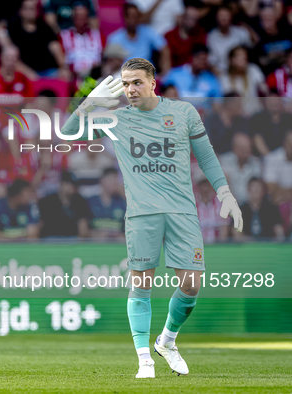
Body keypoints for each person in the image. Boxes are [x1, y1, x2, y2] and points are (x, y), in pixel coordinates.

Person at [61, 58, 244, 378]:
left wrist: (225, 193)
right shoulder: (116, 119)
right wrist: (89, 104)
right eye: (125, 83)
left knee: (191, 285)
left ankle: (167, 341)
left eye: (136, 83)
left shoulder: (184, 112)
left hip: (182, 212)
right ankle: (144, 359)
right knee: (141, 285)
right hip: (142, 214)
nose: (130, 89)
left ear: (152, 83)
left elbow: (207, 157)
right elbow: (68, 133)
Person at [8, 0, 69, 79]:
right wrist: (30, 74)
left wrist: (63, 68)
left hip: (50, 71)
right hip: (26, 73)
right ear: (20, 11)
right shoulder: (14, 30)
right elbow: (13, 57)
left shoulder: (45, 27)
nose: (30, 12)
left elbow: (56, 49)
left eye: (32, 9)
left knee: (65, 76)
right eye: (26, 9)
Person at [106, 4, 170, 75]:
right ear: (124, 18)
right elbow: (109, 63)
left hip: (147, 73)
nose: (133, 20)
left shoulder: (148, 32)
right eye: (130, 17)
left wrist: (164, 74)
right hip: (125, 75)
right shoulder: (114, 38)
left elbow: (164, 49)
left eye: (135, 17)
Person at [37, 170, 90, 238]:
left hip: (72, 239)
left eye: (75, 184)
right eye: (70, 183)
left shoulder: (80, 201)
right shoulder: (47, 202)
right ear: (62, 184)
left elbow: (83, 228)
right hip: (50, 239)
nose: (73, 187)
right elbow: (40, 225)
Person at [219, 46, 268, 116]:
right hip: (236, 117)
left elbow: (264, 88)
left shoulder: (253, 69)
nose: (244, 57)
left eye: (245, 55)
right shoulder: (224, 78)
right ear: (232, 60)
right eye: (240, 55)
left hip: (256, 114)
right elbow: (227, 102)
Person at [59, 4, 102, 77]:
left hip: (95, 72)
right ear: (73, 18)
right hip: (73, 73)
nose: (81, 21)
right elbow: (61, 58)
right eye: (79, 17)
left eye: (84, 17)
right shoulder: (64, 35)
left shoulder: (97, 35)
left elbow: (102, 56)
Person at [207, 6, 253, 74]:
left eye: (226, 15)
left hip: (241, 71)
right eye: (221, 15)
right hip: (221, 74)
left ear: (231, 17)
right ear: (216, 18)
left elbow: (252, 48)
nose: (224, 18)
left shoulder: (241, 32)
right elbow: (211, 62)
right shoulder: (211, 36)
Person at [219, 133, 262, 204]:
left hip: (251, 205)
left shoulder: (255, 163)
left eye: (248, 148)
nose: (247, 152)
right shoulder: (225, 161)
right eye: (243, 149)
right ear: (235, 149)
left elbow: (257, 187)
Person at [87, 167, 126, 240]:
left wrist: (121, 236)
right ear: (102, 181)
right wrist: (95, 234)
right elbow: (84, 231)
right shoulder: (90, 202)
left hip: (117, 245)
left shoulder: (122, 202)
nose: (115, 183)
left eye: (116, 180)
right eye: (111, 180)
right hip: (96, 244)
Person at [194, 177, 229, 243]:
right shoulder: (193, 203)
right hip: (197, 244)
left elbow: (224, 226)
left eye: (206, 185)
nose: (204, 188)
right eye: (202, 185)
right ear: (198, 187)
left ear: (210, 187)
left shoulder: (219, 202)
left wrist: (221, 245)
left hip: (216, 243)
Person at [263, 130, 292, 206]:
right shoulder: (273, 158)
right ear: (284, 144)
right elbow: (272, 189)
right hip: (277, 203)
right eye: (290, 145)